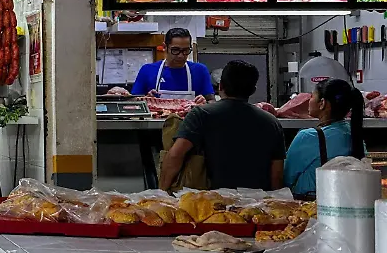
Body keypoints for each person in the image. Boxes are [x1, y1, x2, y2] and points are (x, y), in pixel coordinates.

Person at [159, 60, 285, 191]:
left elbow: (175, 155)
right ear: (252, 90)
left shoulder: (201, 114)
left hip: (211, 203)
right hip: (255, 204)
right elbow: (277, 176)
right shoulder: (272, 122)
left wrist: (162, 193)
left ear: (220, 86)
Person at [285, 78, 365, 198]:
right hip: (345, 201)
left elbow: (286, 178)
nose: (309, 100)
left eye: (312, 96)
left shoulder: (308, 137)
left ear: (322, 103)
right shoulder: (354, 135)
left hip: (308, 208)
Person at [131, 28, 215, 99]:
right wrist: (145, 100)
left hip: (189, 118)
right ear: (165, 47)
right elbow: (134, 102)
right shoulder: (147, 71)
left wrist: (205, 103)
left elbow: (211, 102)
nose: (181, 56)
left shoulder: (199, 71)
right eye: (175, 50)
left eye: (185, 50)